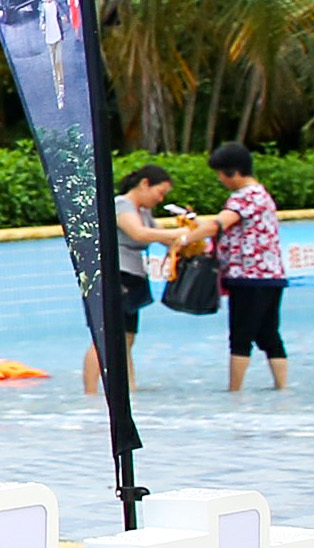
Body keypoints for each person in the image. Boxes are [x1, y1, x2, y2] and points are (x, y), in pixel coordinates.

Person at [81, 165, 199, 397]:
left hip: (133, 277)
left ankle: (128, 390)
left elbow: (164, 238)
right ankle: (91, 394)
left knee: (126, 339)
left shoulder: (144, 212)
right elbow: (139, 234)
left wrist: (193, 234)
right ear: (145, 184)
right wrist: (179, 234)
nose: (161, 199)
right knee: (104, 337)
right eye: (160, 192)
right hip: (113, 277)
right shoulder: (121, 205)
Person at [204, 142, 291, 392]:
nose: (220, 180)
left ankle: (235, 391)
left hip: (249, 276)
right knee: (268, 333)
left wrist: (184, 236)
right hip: (271, 275)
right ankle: (282, 388)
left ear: (233, 171)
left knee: (240, 336)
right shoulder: (261, 194)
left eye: (220, 174)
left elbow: (219, 225)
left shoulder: (244, 197)